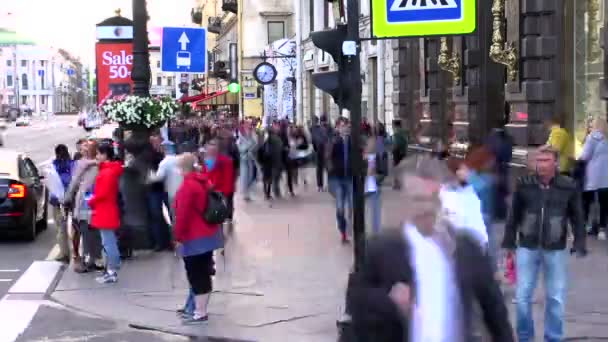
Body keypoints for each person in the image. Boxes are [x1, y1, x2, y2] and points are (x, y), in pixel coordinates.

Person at [348, 156, 514, 341]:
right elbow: (356, 302)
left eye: (433, 198)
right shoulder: (381, 249)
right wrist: (390, 302)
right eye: (418, 199)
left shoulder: (466, 248)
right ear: (403, 200)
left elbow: (495, 313)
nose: (427, 207)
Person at [502, 146, 587, 342]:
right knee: (523, 297)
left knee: (555, 298)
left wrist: (580, 241)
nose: (541, 164)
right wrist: (509, 243)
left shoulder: (568, 186)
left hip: (555, 248)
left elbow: (577, 216)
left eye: (546, 160)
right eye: (538, 160)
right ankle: (525, 337)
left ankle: (553, 337)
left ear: (555, 163)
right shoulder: (524, 184)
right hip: (527, 246)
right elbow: (513, 215)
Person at [173, 153, 223, 324]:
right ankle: (193, 307)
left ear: (181, 169)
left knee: (197, 275)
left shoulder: (187, 187)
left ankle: (199, 312)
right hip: (208, 234)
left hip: (194, 237)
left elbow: (182, 216)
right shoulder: (202, 181)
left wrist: (178, 237)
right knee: (203, 272)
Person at [65, 140, 103, 273]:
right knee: (89, 230)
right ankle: (93, 258)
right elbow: (74, 182)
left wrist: (67, 198)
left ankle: (92, 258)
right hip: (89, 201)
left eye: (88, 148)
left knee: (89, 230)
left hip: (87, 201)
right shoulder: (93, 163)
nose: (86, 150)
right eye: (83, 148)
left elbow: (74, 182)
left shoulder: (86, 163)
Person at [88, 143, 124, 284]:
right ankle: (111, 269)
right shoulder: (110, 170)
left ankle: (112, 271)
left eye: (98, 154)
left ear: (104, 155)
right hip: (107, 209)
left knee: (108, 243)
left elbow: (102, 193)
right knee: (109, 241)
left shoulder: (107, 172)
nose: (96, 157)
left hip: (105, 210)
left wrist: (91, 201)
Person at [578, 117, 608, 238]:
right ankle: (601, 229)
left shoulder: (592, 138)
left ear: (595, 126)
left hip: (591, 176)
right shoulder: (606, 138)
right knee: (604, 204)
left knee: (586, 202)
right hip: (606, 177)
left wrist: (578, 160)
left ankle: (585, 226)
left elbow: (585, 156)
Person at [327, 117, 353, 244]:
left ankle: (349, 228)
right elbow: (327, 158)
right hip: (337, 178)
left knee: (352, 205)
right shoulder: (333, 141)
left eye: (346, 126)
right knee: (340, 207)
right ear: (337, 127)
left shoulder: (352, 141)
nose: (345, 128)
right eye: (342, 126)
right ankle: (343, 231)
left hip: (349, 177)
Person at [51, 144, 75, 263]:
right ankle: (75, 252)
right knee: (75, 226)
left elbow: (51, 182)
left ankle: (64, 253)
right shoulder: (72, 164)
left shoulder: (54, 165)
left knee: (61, 226)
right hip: (71, 198)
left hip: (57, 200)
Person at [237, 119, 258, 201]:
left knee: (251, 176)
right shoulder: (240, 134)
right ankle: (246, 194)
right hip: (243, 158)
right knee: (245, 176)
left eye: (250, 124)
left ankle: (247, 192)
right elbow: (238, 146)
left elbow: (256, 143)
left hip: (251, 158)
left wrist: (251, 147)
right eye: (247, 124)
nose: (249, 125)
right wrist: (245, 149)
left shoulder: (252, 133)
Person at [391, 119, 408, 189]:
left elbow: (397, 144)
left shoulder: (397, 133)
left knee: (397, 168)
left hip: (398, 152)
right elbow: (405, 142)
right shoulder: (403, 132)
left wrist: (393, 149)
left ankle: (397, 184)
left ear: (395, 125)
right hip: (403, 152)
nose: (392, 126)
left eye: (393, 125)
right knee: (401, 168)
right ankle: (400, 183)